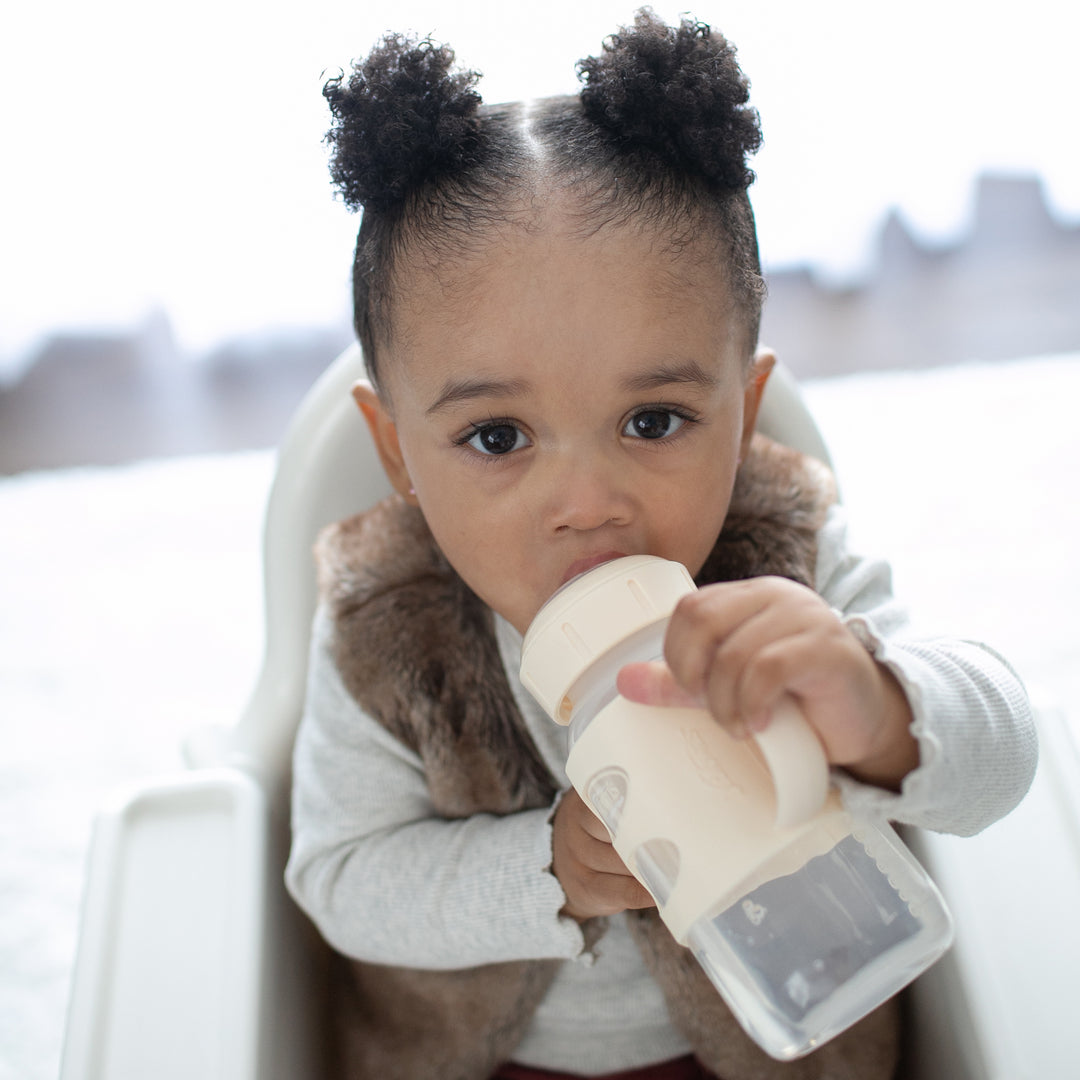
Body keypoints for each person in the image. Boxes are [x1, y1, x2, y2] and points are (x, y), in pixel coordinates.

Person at [285, 10, 1037, 1079]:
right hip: (489, 1060)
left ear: (746, 408)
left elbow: (1007, 753)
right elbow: (344, 880)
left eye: (654, 422)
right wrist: (548, 868)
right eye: (496, 438)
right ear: (397, 452)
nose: (588, 503)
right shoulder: (382, 624)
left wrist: (877, 707)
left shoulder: (790, 565)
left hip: (796, 1041)